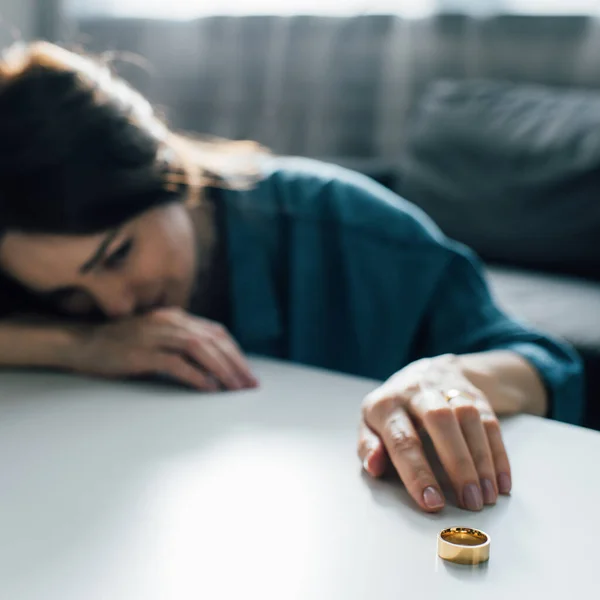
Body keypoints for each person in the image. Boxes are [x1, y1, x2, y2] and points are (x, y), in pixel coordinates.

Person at [0, 42, 583, 514]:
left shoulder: (344, 222)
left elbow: (542, 362)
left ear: (167, 166)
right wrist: (79, 343)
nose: (113, 306)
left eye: (118, 254)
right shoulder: (60, 293)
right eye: (69, 297)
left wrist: (447, 376)